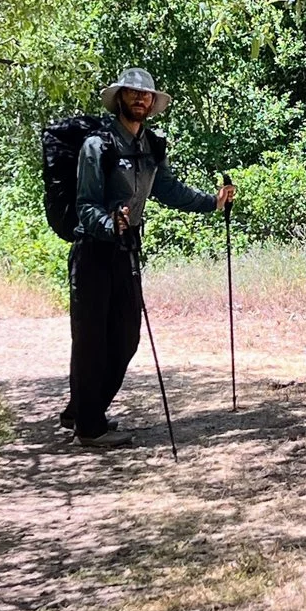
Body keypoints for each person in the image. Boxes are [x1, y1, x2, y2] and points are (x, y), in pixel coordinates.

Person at [63, 68, 235, 448]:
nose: (141, 100)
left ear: (153, 104)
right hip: (93, 252)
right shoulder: (98, 146)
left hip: (127, 251)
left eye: (147, 96)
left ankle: (84, 410)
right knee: (92, 340)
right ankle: (89, 428)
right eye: (134, 94)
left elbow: (168, 189)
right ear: (120, 98)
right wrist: (111, 223)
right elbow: (85, 206)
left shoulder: (151, 145)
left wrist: (212, 202)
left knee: (125, 339)